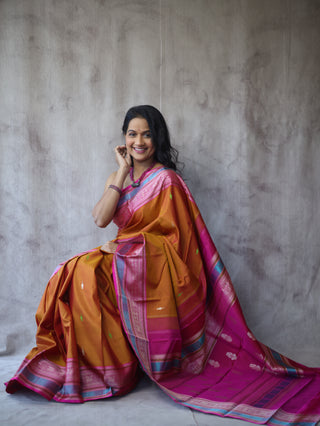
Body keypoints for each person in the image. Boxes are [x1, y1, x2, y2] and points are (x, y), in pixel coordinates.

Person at [5, 105, 320, 425]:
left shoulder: (167, 180)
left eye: (146, 134)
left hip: (151, 266)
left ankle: (121, 370)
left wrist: (128, 248)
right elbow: (101, 219)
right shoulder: (118, 178)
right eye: (132, 134)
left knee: (86, 269)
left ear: (158, 138)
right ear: (123, 139)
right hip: (123, 258)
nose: (139, 141)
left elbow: (176, 243)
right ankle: (105, 369)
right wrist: (120, 171)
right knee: (74, 272)